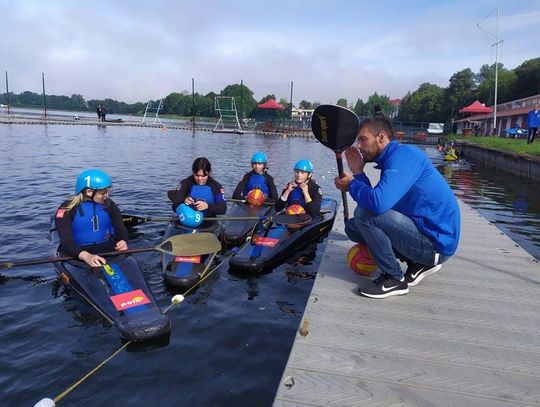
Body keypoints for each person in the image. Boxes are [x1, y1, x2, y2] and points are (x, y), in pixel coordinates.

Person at [334, 116, 460, 299]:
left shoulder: (405, 156)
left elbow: (377, 204)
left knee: (363, 216)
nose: (358, 146)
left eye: (363, 139)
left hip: (436, 244)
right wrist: (358, 173)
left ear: (381, 137)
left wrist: (352, 185)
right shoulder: (392, 160)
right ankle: (416, 261)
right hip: (422, 232)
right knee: (353, 228)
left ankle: (393, 278)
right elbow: (375, 204)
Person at [55, 169, 129, 267]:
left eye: (107, 192)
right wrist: (86, 256)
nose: (106, 196)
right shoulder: (66, 209)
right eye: (102, 193)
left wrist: (123, 240)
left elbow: (120, 228)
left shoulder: (110, 205)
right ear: (89, 192)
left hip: (108, 250)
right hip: (78, 254)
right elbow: (66, 241)